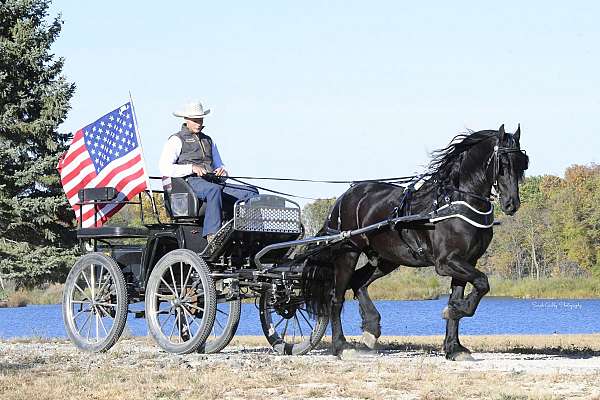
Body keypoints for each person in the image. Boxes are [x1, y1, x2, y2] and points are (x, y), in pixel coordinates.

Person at [159, 100, 258, 241]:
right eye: (195, 120)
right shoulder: (176, 140)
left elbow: (220, 165)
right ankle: (212, 234)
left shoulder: (209, 140)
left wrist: (222, 172)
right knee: (213, 190)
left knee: (251, 192)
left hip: (213, 181)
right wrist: (191, 168)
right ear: (186, 119)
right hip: (190, 182)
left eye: (200, 119)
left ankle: (248, 232)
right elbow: (165, 167)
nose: (198, 123)